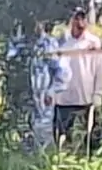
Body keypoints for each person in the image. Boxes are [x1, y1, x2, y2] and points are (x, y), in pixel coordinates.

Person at [7, 22, 70, 152]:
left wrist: (52, 91)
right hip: (23, 100)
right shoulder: (19, 43)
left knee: (43, 137)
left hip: (43, 100)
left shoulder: (48, 43)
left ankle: (43, 164)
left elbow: (62, 72)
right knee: (23, 138)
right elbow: (10, 65)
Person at [54, 7, 102, 149]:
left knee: (89, 136)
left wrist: (98, 93)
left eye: (83, 18)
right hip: (63, 98)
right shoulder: (61, 41)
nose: (80, 21)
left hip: (86, 98)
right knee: (64, 136)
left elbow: (100, 68)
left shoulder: (93, 42)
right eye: (77, 18)